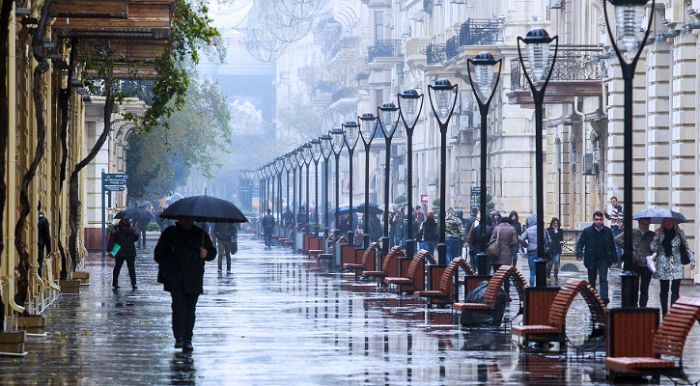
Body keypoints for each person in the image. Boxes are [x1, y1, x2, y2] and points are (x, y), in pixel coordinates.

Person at [154, 216, 216, 352]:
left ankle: (188, 339)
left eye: (189, 219)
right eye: (184, 218)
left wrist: (206, 254)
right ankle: (179, 337)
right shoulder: (170, 233)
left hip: (194, 278)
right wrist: (170, 263)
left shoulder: (201, 234)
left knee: (190, 310)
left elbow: (212, 252)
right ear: (179, 219)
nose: (187, 221)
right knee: (178, 308)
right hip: (175, 278)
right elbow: (158, 254)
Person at [649, 217, 695, 315]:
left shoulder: (679, 233)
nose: (668, 222)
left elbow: (686, 247)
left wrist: (692, 260)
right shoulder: (659, 233)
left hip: (676, 264)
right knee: (664, 290)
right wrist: (656, 237)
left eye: (670, 220)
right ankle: (665, 312)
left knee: (675, 290)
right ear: (663, 222)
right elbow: (653, 248)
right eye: (666, 221)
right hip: (663, 265)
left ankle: (673, 312)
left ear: (674, 222)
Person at [575, 211, 616, 304]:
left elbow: (612, 245)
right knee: (592, 279)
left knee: (603, 278)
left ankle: (604, 298)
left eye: (600, 220)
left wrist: (614, 259)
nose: (598, 221)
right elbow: (580, 243)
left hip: (603, 258)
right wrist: (579, 253)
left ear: (602, 220)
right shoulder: (587, 231)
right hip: (591, 258)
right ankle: (593, 297)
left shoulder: (607, 231)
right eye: (597, 219)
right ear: (593, 220)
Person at [615, 217, 655, 307]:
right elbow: (617, 239)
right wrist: (628, 246)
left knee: (645, 288)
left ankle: (643, 307)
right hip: (634, 263)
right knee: (634, 287)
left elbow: (656, 248)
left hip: (646, 264)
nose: (645, 226)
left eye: (647, 224)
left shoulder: (651, 235)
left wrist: (654, 254)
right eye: (643, 224)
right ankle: (634, 306)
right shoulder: (632, 232)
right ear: (639, 223)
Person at [108, 218, 140, 290]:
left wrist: (135, 232)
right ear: (122, 220)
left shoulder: (130, 229)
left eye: (126, 220)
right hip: (121, 250)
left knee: (131, 268)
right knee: (118, 267)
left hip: (129, 250)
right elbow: (112, 239)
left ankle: (133, 283)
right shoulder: (117, 229)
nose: (125, 221)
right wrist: (110, 249)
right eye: (124, 220)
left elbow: (135, 238)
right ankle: (115, 283)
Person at [489, 217, 518, 294]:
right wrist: (507, 245)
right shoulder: (512, 229)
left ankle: (496, 292)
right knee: (506, 275)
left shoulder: (496, 228)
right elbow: (515, 241)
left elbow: (492, 240)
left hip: (496, 254)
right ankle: (507, 293)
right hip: (506, 254)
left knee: (497, 275)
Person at [519, 215, 548, 287]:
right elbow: (547, 241)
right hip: (540, 252)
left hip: (531, 251)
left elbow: (521, 239)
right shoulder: (543, 229)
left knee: (532, 271)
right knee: (540, 271)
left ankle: (531, 286)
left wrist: (526, 245)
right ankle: (540, 286)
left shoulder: (528, 230)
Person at [604, 196, 624, 266]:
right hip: (614, 228)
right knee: (614, 245)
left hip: (616, 228)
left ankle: (618, 262)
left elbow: (620, 219)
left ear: (616, 201)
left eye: (613, 201)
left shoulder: (619, 208)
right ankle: (616, 261)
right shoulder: (614, 209)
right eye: (611, 202)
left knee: (616, 246)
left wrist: (620, 225)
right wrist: (605, 213)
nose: (612, 203)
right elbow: (610, 218)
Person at [546, 217, 563, 281]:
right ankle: (548, 275)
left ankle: (556, 274)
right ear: (552, 223)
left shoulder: (560, 231)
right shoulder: (548, 230)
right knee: (550, 263)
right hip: (550, 249)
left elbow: (561, 239)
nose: (556, 225)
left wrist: (557, 232)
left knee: (556, 262)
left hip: (557, 248)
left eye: (557, 223)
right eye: (554, 223)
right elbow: (548, 239)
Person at [37, 205, 51, 277]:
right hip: (40, 247)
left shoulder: (30, 218)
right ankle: (38, 287)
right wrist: (49, 250)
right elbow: (47, 236)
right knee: (39, 266)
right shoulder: (44, 220)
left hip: (31, 248)